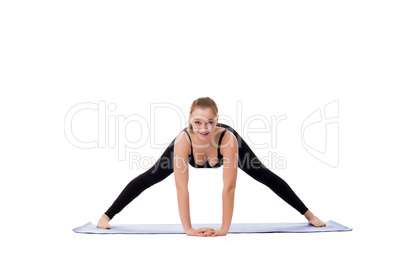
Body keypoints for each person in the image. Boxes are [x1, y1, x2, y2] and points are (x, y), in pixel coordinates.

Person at [97, 97, 326, 237]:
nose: (204, 127)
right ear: (189, 120)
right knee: (151, 177)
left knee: (263, 174)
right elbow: (181, 189)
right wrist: (188, 229)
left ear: (217, 120)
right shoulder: (183, 141)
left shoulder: (228, 140)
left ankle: (310, 214)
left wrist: (224, 228)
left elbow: (229, 188)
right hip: (188, 149)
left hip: (224, 147)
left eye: (210, 122)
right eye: (197, 122)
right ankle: (107, 216)